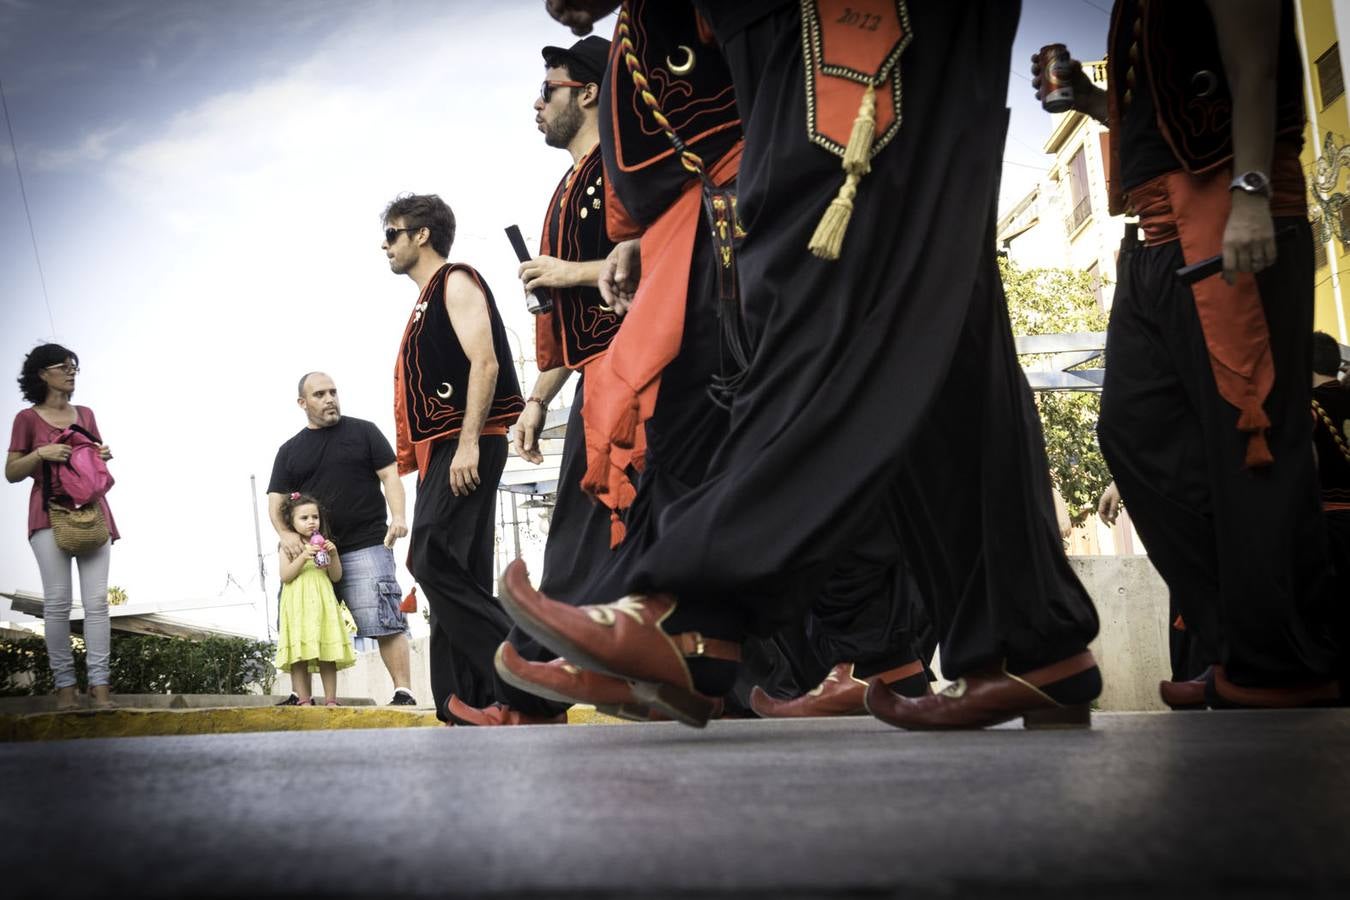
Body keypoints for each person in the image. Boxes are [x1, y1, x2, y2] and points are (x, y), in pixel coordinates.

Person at [502, 0, 1101, 730]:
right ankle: (1031, 645)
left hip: (841, 24)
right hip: (803, 39)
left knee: (817, 304)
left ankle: (692, 614)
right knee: (944, 335)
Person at [1042, 0, 1339, 709]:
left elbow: (1255, 66)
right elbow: (1164, 118)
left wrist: (1250, 193)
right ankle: (1245, 644)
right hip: (1152, 236)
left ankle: (1284, 663)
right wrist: (1090, 101)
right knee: (1134, 430)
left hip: (1223, 215)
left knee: (1252, 439)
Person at [446, 36, 619, 727]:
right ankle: (528, 700)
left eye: (548, 90)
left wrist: (568, 272)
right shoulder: (567, 187)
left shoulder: (624, 171)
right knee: (594, 539)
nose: (536, 103)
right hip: (597, 383)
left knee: (589, 544)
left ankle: (525, 700)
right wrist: (540, 398)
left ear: (591, 92)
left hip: (644, 373)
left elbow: (661, 262)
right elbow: (570, 321)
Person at [381, 192, 526, 722]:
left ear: (422, 234)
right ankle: (465, 702)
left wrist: (467, 443)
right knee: (455, 574)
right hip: (445, 447)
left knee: (431, 557)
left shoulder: (456, 280)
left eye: (393, 233)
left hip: (468, 442)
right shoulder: (424, 299)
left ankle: (530, 663)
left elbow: (484, 364)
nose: (386, 245)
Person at [267, 372, 416, 706]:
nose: (330, 398)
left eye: (333, 391)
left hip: (365, 545)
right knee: (299, 620)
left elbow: (390, 475)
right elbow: (276, 502)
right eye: (319, 394)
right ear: (302, 403)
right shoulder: (289, 450)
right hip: (309, 554)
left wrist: (400, 517)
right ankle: (299, 695)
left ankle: (403, 692)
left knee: (384, 619)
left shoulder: (364, 432)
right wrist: (287, 535)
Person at [6, 344, 118, 712]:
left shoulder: (85, 414)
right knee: (56, 603)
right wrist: (41, 454)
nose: (71, 372)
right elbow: (11, 473)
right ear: (42, 374)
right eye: (63, 367)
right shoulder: (27, 419)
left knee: (97, 603)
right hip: (48, 515)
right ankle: (65, 691)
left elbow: (94, 463)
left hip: (92, 512)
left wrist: (100, 455)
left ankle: (100, 691)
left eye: (74, 367)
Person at [273, 492, 356, 706]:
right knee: (299, 654)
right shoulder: (288, 546)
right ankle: (303, 699)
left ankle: (330, 700)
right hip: (297, 604)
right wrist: (302, 556)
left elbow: (335, 576)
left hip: (322, 603)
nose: (311, 522)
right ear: (290, 521)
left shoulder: (323, 544)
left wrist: (334, 555)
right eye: (304, 518)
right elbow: (285, 576)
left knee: (326, 652)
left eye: (315, 517)